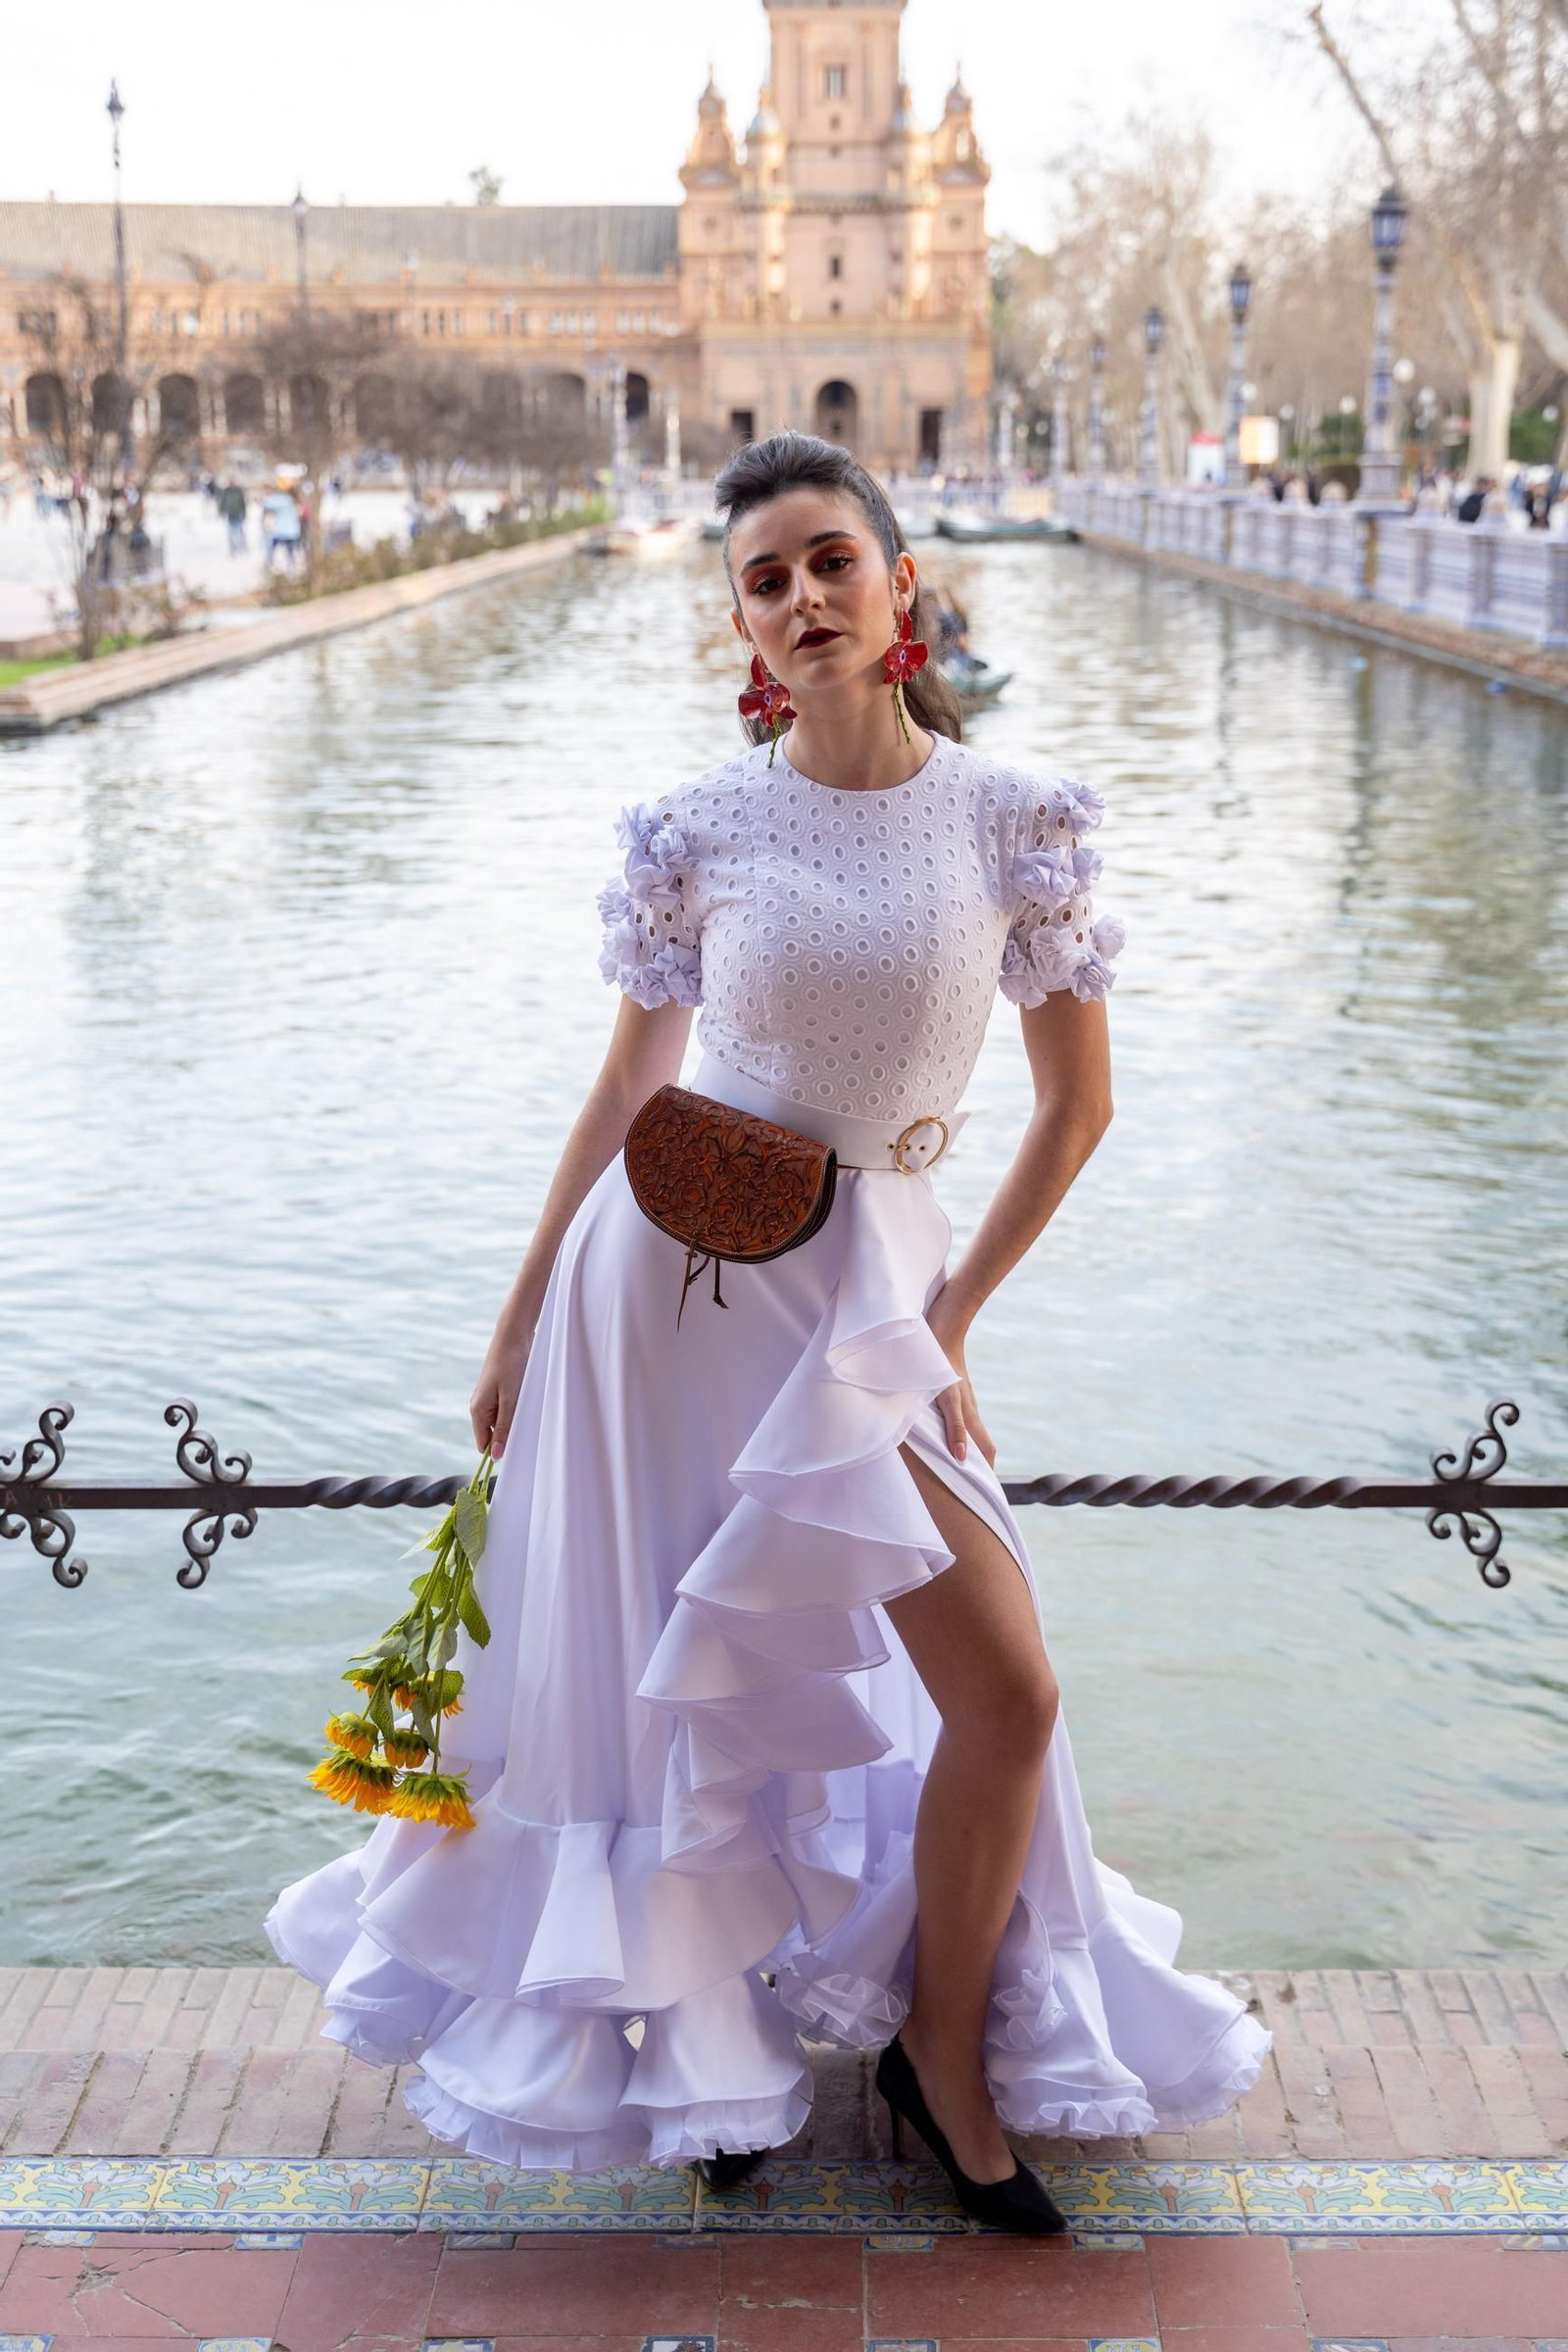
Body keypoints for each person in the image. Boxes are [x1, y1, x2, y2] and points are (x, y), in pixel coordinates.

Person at [264, 429, 1271, 2230]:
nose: (802, 596)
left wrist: (950, 1317)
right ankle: (704, 2065)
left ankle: (942, 2052)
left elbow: (1077, 1111)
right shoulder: (696, 827)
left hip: (869, 1300)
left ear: (900, 582)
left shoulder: (1015, 819)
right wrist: (518, 1313)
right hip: (659, 1295)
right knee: (669, 1686)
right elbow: (624, 1092)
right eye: (764, 579)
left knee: (1008, 1693)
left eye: (829, 560)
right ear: (741, 624)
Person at [219, 478, 248, 555]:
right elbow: (223, 502)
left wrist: (244, 513)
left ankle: (243, 547)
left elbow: (242, 502)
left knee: (240, 532)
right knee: (230, 533)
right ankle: (233, 549)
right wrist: (221, 511)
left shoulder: (238, 491)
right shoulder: (226, 491)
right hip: (230, 514)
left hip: (238, 514)